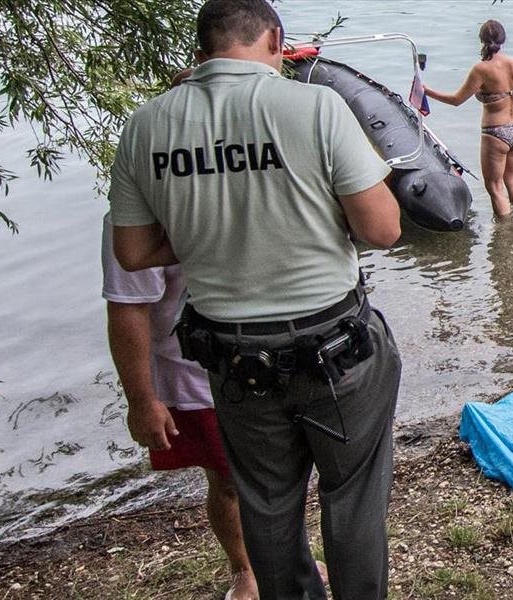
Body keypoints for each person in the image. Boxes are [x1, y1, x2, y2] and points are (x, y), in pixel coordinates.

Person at [107, 1, 404, 598]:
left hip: (234, 359)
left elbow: (134, 254)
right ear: (275, 39)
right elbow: (383, 230)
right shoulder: (316, 106)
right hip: (334, 349)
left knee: (267, 504)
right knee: (352, 496)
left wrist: (213, 232)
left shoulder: (146, 124)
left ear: (201, 50)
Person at [101, 214, 259, 600]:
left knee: (280, 475)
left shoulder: (246, 183)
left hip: (272, 363)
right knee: (229, 481)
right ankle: (245, 570)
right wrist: (142, 401)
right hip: (197, 374)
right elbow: (127, 308)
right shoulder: (138, 214)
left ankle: (288, 557)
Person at [423, 19, 513, 219]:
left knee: (494, 187)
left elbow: (456, 100)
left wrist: (426, 91)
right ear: (503, 39)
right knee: (511, 180)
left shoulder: (481, 69)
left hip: (496, 133)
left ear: (481, 40)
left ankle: (504, 232)